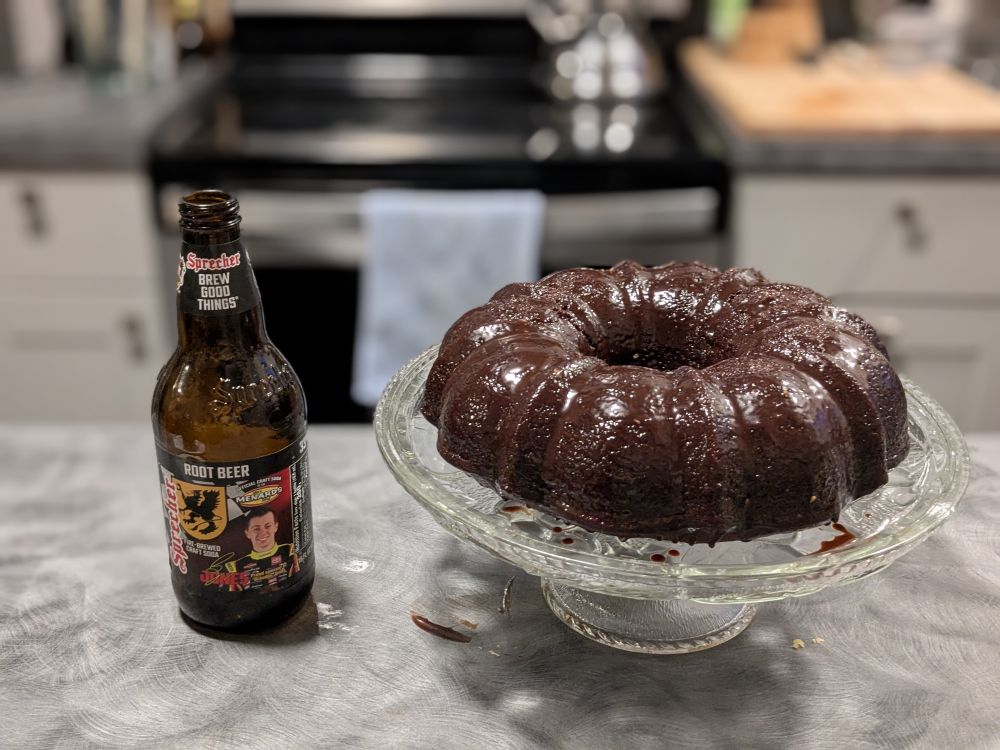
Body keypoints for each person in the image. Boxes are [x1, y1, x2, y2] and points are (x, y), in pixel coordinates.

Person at [224, 507, 299, 591]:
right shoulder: (236, 565)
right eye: (256, 529)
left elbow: (298, 574)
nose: (263, 533)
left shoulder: (290, 550)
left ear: (276, 527)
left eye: (268, 526)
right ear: (247, 533)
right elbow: (233, 596)